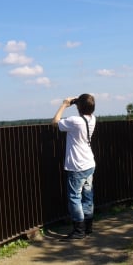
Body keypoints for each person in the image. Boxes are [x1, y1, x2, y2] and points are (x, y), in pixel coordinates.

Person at [51, 93, 96, 240]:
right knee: (87, 195)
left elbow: (55, 122)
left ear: (79, 107)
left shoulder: (75, 121)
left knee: (74, 197)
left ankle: (78, 230)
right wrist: (79, 102)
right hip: (89, 163)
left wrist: (65, 104)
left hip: (77, 165)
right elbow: (85, 109)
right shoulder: (92, 119)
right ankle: (88, 227)